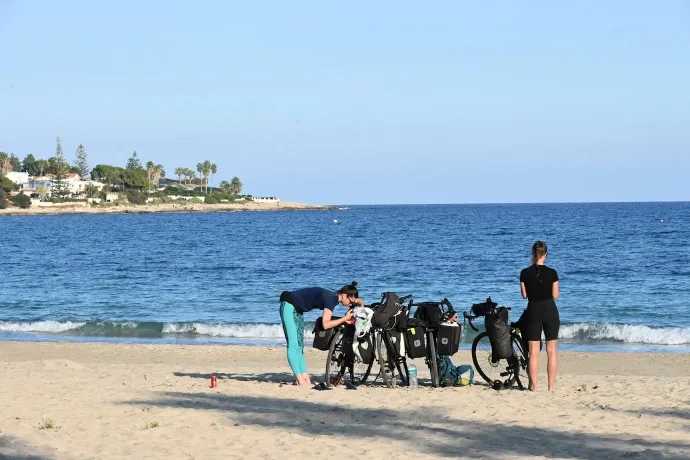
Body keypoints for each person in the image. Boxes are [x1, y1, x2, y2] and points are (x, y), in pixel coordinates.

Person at [279, 281, 363, 386]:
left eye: (353, 303)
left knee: (299, 346)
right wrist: (344, 319)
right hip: (288, 305)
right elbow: (326, 324)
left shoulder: (334, 296)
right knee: (293, 345)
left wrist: (360, 306)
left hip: (297, 310)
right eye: (351, 302)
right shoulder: (331, 300)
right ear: (345, 295)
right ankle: (300, 380)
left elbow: (359, 301)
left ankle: (305, 379)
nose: (351, 305)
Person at [519, 241, 560, 392]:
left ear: (533, 254)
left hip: (533, 309)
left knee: (533, 352)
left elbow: (524, 295)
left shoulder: (524, 273)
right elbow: (555, 295)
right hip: (550, 309)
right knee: (551, 351)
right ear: (546, 255)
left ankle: (534, 387)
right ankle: (550, 387)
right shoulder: (552, 273)